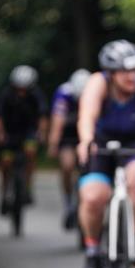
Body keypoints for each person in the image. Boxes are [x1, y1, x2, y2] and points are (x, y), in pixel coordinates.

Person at [77, 41, 135, 268]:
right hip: (101, 142)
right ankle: (92, 249)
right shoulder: (98, 83)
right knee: (93, 197)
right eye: (125, 71)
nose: (132, 76)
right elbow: (87, 115)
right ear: (111, 72)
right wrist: (86, 140)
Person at [0, 65, 48, 214]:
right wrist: (0, 133)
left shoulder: (36, 94)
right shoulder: (6, 94)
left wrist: (42, 133)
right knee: (5, 163)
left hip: (28, 132)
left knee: (30, 152)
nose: (22, 92)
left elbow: (43, 116)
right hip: (9, 133)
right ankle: (4, 193)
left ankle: (28, 187)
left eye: (25, 88)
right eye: (19, 88)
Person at [48, 69, 92, 229]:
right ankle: (68, 200)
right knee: (67, 166)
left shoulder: (95, 91)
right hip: (68, 135)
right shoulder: (64, 93)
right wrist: (53, 144)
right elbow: (57, 121)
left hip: (87, 134)